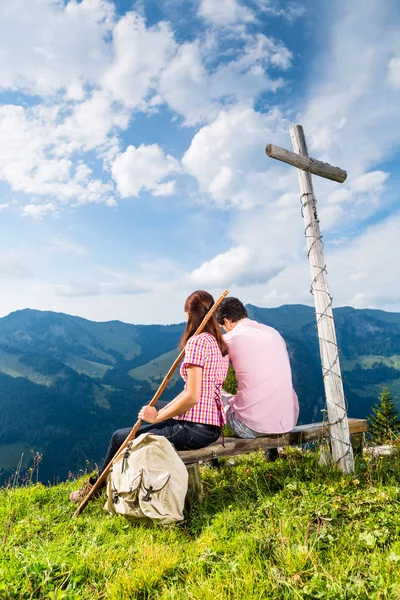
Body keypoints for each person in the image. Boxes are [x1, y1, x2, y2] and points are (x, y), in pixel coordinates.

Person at [70, 290, 229, 503]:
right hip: (213, 424)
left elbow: (192, 397)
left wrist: (157, 417)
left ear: (190, 315)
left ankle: (94, 489)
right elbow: (197, 393)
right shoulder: (217, 343)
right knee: (150, 406)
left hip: (196, 429)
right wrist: (160, 412)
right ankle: (112, 476)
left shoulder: (197, 343)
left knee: (119, 437)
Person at [215, 297, 299, 438]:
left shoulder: (230, 339)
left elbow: (211, 374)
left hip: (250, 427)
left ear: (227, 321)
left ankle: (204, 444)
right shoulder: (273, 333)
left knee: (213, 391)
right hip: (287, 422)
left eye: (222, 327)